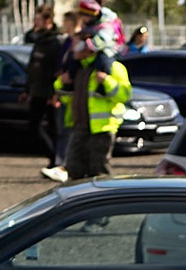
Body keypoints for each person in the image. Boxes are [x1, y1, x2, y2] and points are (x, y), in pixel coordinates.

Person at [56, 22, 132, 181]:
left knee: (99, 171)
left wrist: (107, 81)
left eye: (76, 44)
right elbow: (66, 98)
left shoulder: (113, 69)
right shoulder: (78, 70)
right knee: (74, 169)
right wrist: (62, 83)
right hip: (80, 127)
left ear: (88, 46)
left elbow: (124, 95)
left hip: (102, 129)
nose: (72, 48)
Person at [26, 5, 69, 179]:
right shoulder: (40, 40)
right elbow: (32, 67)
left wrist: (55, 93)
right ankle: (54, 159)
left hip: (49, 92)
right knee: (35, 127)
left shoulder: (55, 42)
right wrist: (26, 89)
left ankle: (57, 161)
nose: (35, 24)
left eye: (38, 20)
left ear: (48, 22)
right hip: (36, 90)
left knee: (52, 127)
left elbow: (55, 69)